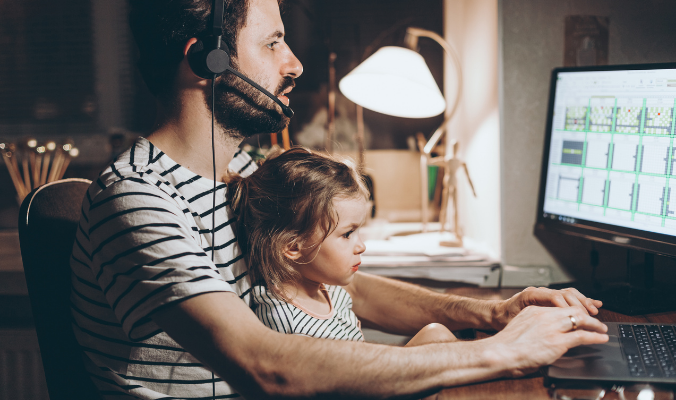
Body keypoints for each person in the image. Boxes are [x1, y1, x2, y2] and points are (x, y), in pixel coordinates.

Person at [70, 0, 609, 398]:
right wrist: (504, 350)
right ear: (207, 61)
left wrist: (491, 313)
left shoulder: (238, 172)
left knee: (448, 350)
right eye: (273, 43)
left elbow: (334, 284)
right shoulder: (139, 198)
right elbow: (264, 365)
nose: (294, 64)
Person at [229, 146, 457, 349]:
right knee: (436, 337)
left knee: (435, 334)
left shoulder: (332, 292)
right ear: (292, 246)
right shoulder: (286, 323)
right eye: (347, 234)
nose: (361, 246)